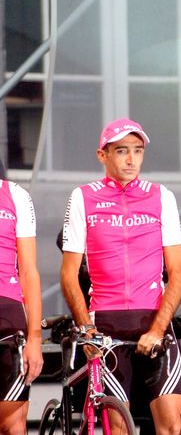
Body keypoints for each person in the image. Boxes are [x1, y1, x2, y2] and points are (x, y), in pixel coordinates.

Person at [61, 118, 181, 435]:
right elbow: (69, 275)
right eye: (121, 151)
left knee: (172, 425)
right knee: (117, 426)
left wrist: (158, 329)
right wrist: (87, 330)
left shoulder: (161, 196)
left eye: (138, 150)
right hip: (106, 322)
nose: (131, 159)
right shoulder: (83, 197)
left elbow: (177, 274)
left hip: (154, 320)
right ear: (102, 155)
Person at [0, 177, 42, 434]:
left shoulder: (15, 195)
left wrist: (35, 339)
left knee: (13, 423)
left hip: (9, 317)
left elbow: (29, 272)